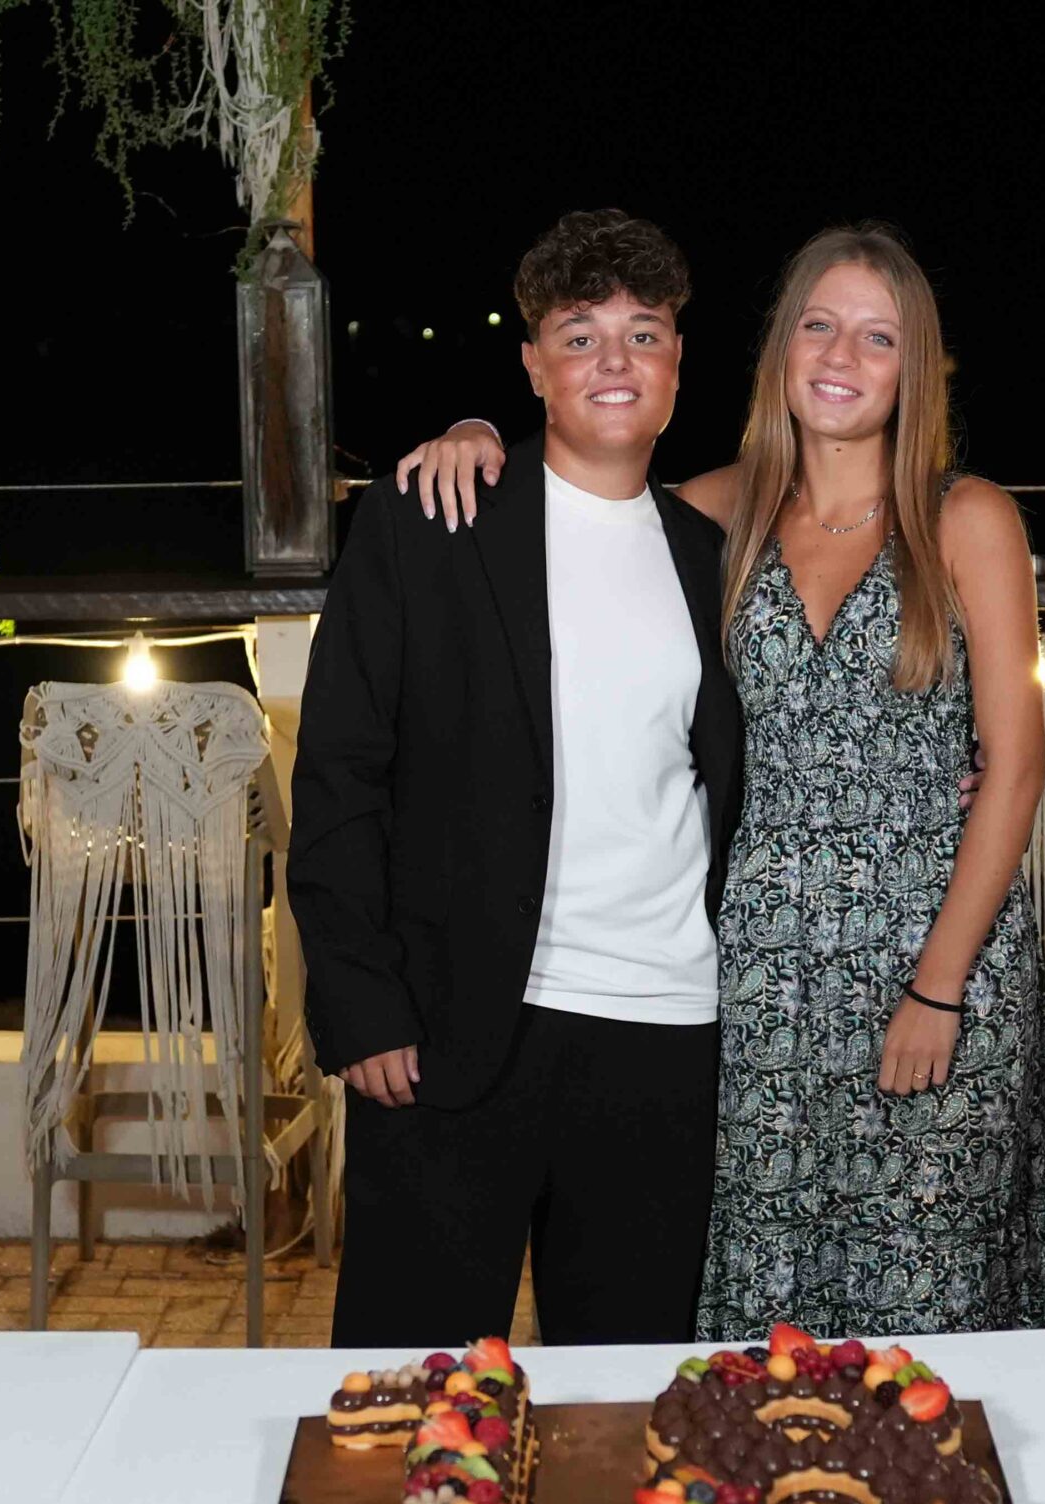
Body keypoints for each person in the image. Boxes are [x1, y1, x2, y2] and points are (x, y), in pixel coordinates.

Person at [394, 223, 1045, 1338]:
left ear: (915, 367)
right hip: (759, 984)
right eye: (819, 325)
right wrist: (478, 436)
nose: (842, 356)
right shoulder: (714, 513)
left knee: (931, 1286)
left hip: (933, 966)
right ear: (779, 349)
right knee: (768, 1299)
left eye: (877, 337)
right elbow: (575, 505)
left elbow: (1015, 767)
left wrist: (939, 987)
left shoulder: (966, 518)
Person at [289, 210, 738, 1349]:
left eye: (643, 335)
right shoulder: (430, 518)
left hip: (661, 1031)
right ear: (534, 365)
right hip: (449, 1031)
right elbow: (340, 769)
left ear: (678, 363)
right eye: (581, 337)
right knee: (415, 1394)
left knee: (629, 1400)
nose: (615, 361)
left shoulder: (712, 557)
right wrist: (361, 1002)